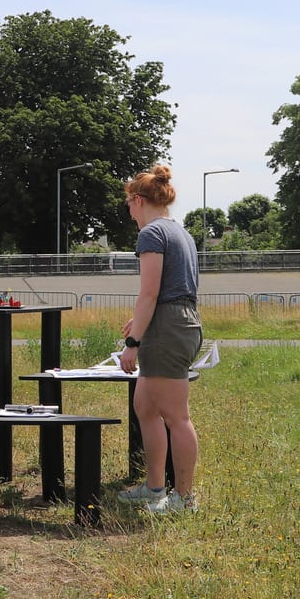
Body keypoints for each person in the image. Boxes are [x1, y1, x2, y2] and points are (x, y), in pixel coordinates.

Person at [115, 164, 203, 516]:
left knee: (176, 417)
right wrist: (140, 323)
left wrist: (132, 342)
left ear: (138, 201)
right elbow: (173, 289)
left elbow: (149, 292)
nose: (129, 214)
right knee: (145, 408)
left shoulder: (151, 234)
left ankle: (184, 498)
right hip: (176, 322)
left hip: (167, 328)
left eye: (129, 206)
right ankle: (154, 488)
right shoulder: (179, 232)